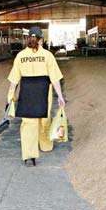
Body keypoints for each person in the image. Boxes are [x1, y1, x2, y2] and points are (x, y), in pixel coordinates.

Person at [7, 26, 65, 167]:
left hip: (26, 93)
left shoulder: (20, 56)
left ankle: (29, 157)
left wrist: (10, 97)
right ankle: (46, 146)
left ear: (28, 39)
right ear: (41, 39)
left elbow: (14, 80)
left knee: (28, 124)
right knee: (44, 119)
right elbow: (55, 78)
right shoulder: (47, 55)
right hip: (43, 92)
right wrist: (60, 96)